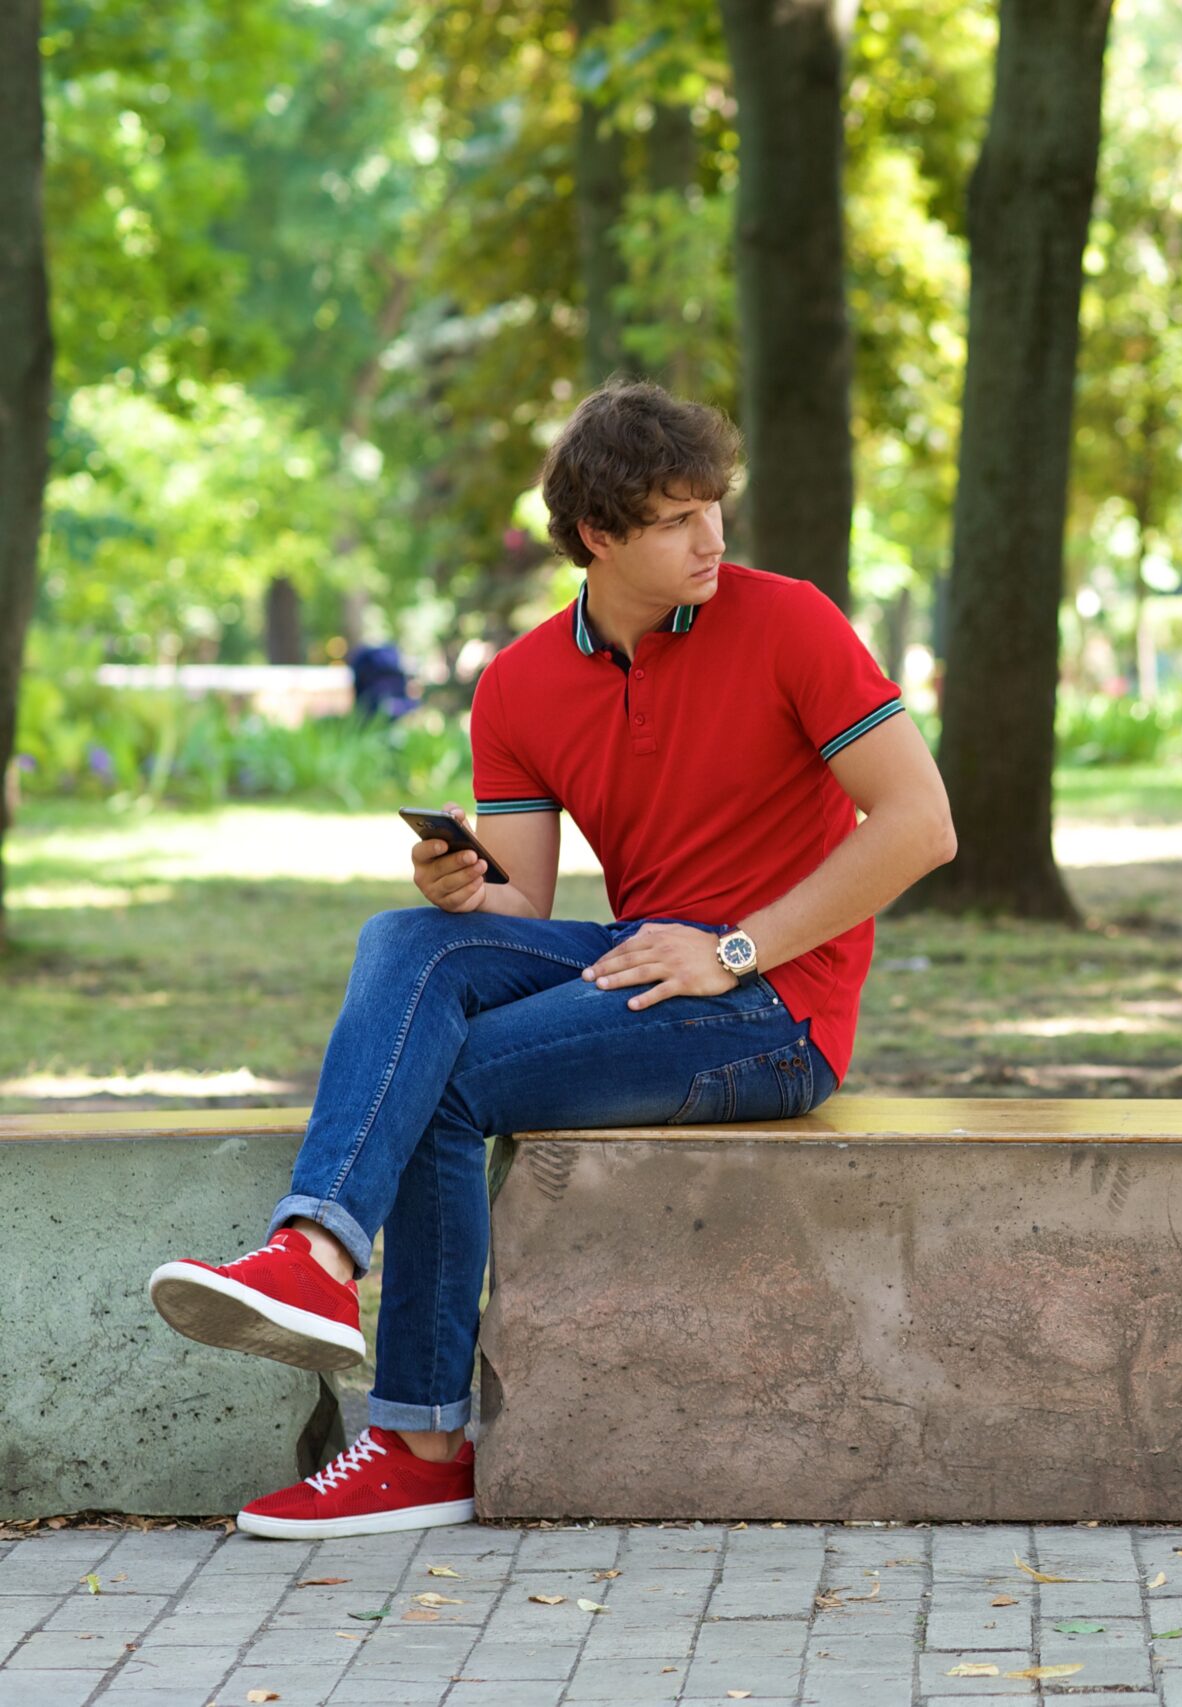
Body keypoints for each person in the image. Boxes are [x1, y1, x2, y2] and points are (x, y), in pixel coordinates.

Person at [145, 383, 956, 1538]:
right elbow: (523, 902)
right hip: (641, 968)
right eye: (677, 519)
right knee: (407, 937)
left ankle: (415, 1437)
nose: (711, 538)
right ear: (596, 537)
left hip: (775, 1006)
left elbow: (922, 826)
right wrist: (461, 888)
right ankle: (318, 1252)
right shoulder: (523, 683)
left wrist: (735, 949)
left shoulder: (789, 623)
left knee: (450, 1076)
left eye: (714, 506)